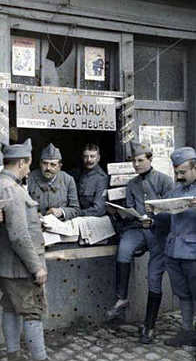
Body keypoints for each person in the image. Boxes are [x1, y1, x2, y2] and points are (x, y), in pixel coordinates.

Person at [0, 139, 65, 361]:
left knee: (11, 308)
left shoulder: (2, 184)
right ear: (22, 162)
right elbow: (19, 235)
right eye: (27, 164)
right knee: (32, 311)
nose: (27, 169)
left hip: (8, 266)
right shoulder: (11, 188)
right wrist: (36, 267)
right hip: (21, 267)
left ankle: (14, 358)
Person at [106, 141, 174, 344]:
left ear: (150, 159)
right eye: (133, 161)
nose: (136, 165)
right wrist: (122, 213)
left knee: (154, 276)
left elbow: (170, 210)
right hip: (138, 229)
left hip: (159, 232)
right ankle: (121, 298)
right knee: (123, 250)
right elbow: (130, 209)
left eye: (140, 160)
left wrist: (154, 220)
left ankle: (149, 326)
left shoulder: (165, 181)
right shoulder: (132, 184)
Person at [154, 147, 196, 347]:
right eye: (176, 172)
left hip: (193, 254)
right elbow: (167, 217)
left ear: (194, 168)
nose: (178, 176)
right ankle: (187, 331)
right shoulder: (175, 191)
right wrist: (153, 214)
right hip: (173, 252)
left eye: (183, 172)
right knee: (183, 294)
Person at [28, 143, 80, 220]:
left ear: (59, 166)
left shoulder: (68, 180)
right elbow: (21, 206)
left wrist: (61, 211)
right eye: (45, 163)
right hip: (35, 223)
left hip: (59, 225)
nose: (48, 168)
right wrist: (33, 214)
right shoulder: (29, 178)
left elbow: (76, 209)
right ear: (40, 163)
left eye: (53, 164)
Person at [71, 143, 108, 217]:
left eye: (92, 156)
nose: (89, 160)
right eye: (86, 156)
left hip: (93, 218)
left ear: (98, 158)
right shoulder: (79, 173)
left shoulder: (101, 178)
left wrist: (75, 213)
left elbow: (98, 210)